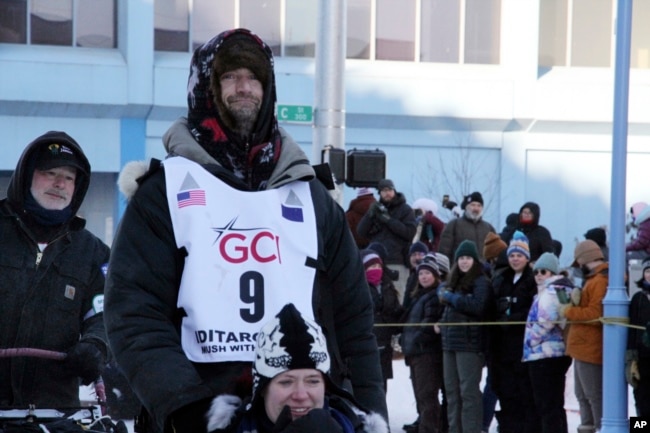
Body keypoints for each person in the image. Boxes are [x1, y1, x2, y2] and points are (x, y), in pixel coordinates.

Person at [104, 28, 386, 433]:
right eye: (230, 76)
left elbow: (353, 318)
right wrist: (184, 406)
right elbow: (134, 315)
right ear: (206, 88)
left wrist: (370, 412)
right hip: (201, 411)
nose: (244, 87)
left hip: (304, 413)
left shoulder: (311, 196)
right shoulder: (162, 193)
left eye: (254, 77)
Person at [0, 131, 110, 408]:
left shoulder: (93, 253)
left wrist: (97, 344)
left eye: (69, 178)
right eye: (50, 173)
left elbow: (107, 312)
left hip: (55, 411)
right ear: (27, 176)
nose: (60, 183)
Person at [205, 303, 389, 433]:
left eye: (313, 381)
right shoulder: (229, 428)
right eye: (286, 382)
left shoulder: (356, 427)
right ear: (262, 389)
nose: (301, 395)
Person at [488, 231, 539, 433]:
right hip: (501, 348)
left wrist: (512, 318)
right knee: (504, 391)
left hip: (524, 348)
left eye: (519, 255)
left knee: (524, 393)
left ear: (527, 258)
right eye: (512, 255)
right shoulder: (501, 279)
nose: (515, 259)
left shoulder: (532, 280)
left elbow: (534, 311)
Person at [439, 240, 491, 433]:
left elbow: (477, 306)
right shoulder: (452, 282)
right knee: (452, 393)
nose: (464, 262)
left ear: (474, 260)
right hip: (449, 342)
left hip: (469, 344)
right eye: (461, 258)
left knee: (468, 393)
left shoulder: (481, 281)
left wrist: (454, 299)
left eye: (468, 258)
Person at [559, 240, 608, 433]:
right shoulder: (595, 279)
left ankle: (600, 427)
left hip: (590, 348)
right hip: (582, 348)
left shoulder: (599, 281)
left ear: (583, 258)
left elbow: (595, 315)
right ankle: (588, 427)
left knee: (592, 394)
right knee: (582, 394)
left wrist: (569, 311)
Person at [523, 253, 573, 433]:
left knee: (547, 405)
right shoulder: (561, 291)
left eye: (543, 271)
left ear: (552, 272)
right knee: (555, 404)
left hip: (545, 354)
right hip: (555, 354)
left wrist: (530, 342)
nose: (538, 275)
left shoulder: (552, 291)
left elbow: (545, 320)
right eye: (536, 271)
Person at [399, 258, 445, 433]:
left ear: (435, 275)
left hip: (426, 353)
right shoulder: (418, 296)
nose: (424, 277)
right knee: (420, 395)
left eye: (427, 273)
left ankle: (429, 429)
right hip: (415, 352)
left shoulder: (434, 296)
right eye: (421, 274)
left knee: (427, 395)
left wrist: (415, 339)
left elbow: (428, 325)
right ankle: (425, 426)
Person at [357, 178, 417, 302]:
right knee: (378, 297)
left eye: (389, 190)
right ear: (379, 193)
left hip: (397, 261)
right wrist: (370, 214)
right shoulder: (376, 209)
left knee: (397, 297)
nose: (387, 193)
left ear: (394, 190)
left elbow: (409, 233)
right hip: (377, 262)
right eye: (383, 191)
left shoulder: (405, 209)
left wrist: (388, 220)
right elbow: (361, 232)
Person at [360, 249, 403, 391]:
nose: (376, 270)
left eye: (378, 267)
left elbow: (395, 311)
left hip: (385, 342)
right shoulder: (358, 288)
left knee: (382, 382)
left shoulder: (388, 286)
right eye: (372, 267)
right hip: (365, 342)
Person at [438, 192, 496, 263]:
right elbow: (444, 250)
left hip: (483, 271)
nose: (476, 208)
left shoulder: (488, 228)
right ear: (466, 207)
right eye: (473, 205)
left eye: (479, 206)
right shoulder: (454, 225)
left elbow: (495, 252)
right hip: (459, 270)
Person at [626, 256, 650, 417]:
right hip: (643, 358)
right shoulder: (638, 299)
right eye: (647, 271)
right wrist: (631, 359)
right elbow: (631, 331)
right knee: (642, 401)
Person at [403, 241, 430, 310]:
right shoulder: (411, 276)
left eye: (420, 254)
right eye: (414, 254)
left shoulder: (429, 276)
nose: (417, 257)